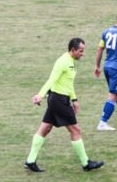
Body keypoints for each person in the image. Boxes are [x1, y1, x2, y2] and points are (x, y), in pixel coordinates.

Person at [24, 38, 104, 172]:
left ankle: (30, 161)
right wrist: (40, 95)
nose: (82, 54)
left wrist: (74, 99)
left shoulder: (71, 62)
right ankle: (86, 164)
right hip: (59, 101)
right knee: (76, 130)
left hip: (60, 99)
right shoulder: (62, 62)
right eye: (80, 51)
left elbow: (68, 83)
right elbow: (51, 80)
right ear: (72, 50)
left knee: (45, 128)